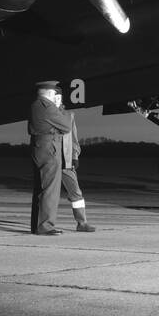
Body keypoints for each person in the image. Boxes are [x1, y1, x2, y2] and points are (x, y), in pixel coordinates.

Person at [28, 80, 71, 235]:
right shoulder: (47, 107)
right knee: (50, 189)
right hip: (49, 150)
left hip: (40, 148)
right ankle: (45, 226)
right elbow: (66, 125)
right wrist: (60, 107)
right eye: (54, 94)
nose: (56, 97)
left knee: (41, 188)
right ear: (48, 93)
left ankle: (37, 226)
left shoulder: (36, 105)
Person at [57, 92, 95, 232]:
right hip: (50, 160)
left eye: (58, 97)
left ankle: (82, 223)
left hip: (66, 162)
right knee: (47, 193)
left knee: (76, 193)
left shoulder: (69, 115)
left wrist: (75, 156)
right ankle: (43, 223)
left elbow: (74, 138)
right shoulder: (45, 115)